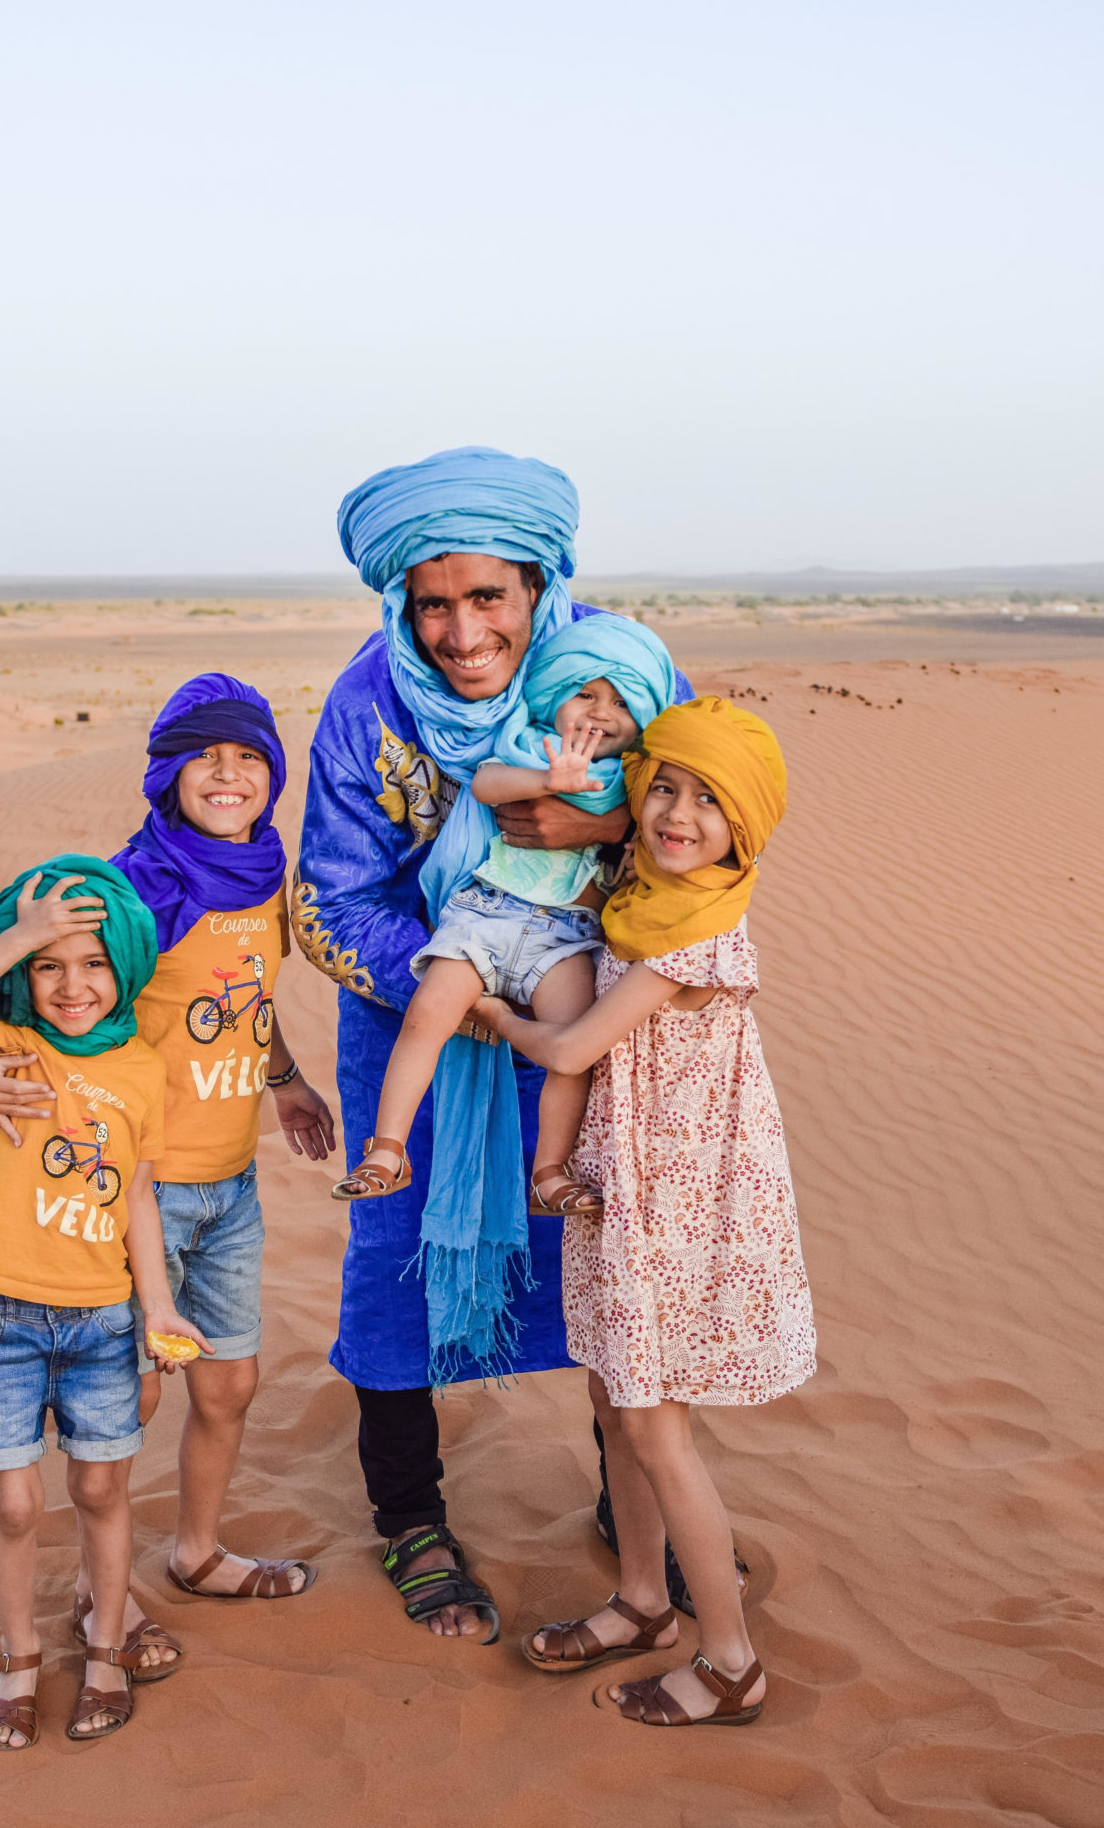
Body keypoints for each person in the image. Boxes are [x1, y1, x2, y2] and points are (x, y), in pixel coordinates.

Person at [293, 445, 695, 1636]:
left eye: (486, 597)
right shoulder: (368, 701)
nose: (461, 631)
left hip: (590, 1015)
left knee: (611, 1260)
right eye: (433, 601)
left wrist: (614, 811)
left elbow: (698, 821)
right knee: (394, 1273)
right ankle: (409, 1517)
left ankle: (637, 1506)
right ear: (399, 601)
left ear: (537, 584)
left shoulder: (619, 672)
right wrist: (459, 980)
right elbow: (327, 896)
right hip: (415, 1024)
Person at [0, 677, 335, 1649]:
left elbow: (244, 994)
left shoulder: (264, 872)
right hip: (139, 1189)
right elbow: (39, 997)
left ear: (272, 775)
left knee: (228, 1384)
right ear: (168, 771)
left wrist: (283, 1076)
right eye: (206, 754)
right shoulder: (136, 889)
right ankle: (99, 1594)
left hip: (233, 1181)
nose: (228, 773)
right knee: (130, 1400)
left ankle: (196, 1550)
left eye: (249, 756)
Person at [471, 697, 816, 1727]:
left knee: (659, 1431)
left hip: (676, 1214)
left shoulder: (696, 938)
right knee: (619, 1409)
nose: (678, 812)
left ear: (742, 828)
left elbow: (572, 1049)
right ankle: (641, 1596)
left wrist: (493, 1009)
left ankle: (730, 1661)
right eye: (664, 784)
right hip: (623, 1189)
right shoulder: (639, 897)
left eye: (710, 801)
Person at [0, 857, 205, 1749]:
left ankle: (105, 1649)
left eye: (93, 962)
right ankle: (19, 1659)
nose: (72, 985)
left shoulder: (145, 1071)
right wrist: (16, 938)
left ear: (125, 966)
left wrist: (158, 1306)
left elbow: (140, 1197)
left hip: (102, 1318)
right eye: (49, 966)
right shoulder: (10, 1049)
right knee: (11, 1506)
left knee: (102, 1487)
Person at [335, 616, 676, 1224]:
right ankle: (386, 1150)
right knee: (428, 1014)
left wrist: (608, 822)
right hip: (484, 914)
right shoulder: (535, 739)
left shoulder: (642, 778)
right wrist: (549, 778)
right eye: (586, 693)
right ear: (558, 694)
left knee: (572, 1052)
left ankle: (548, 1173)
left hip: (566, 940)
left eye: (621, 702)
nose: (600, 711)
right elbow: (489, 783)